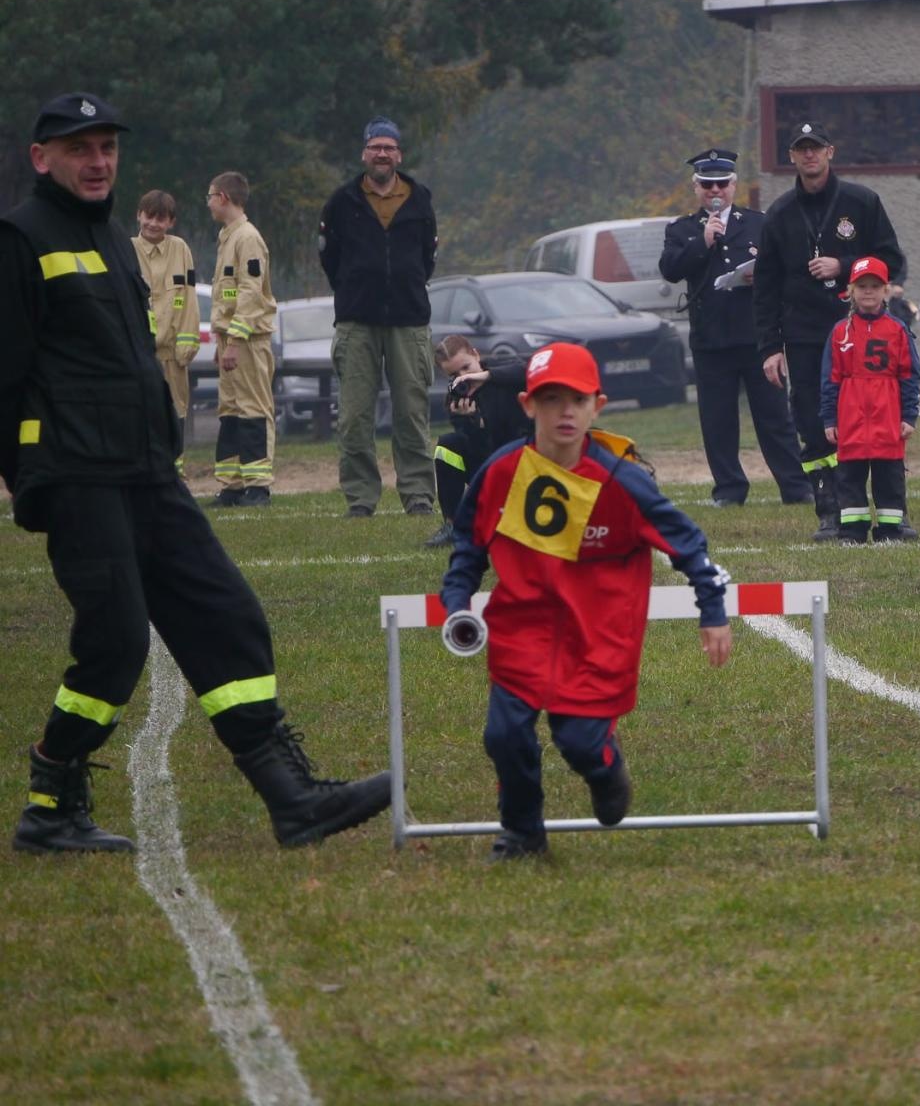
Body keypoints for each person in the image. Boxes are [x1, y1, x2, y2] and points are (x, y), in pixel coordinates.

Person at [0, 92, 390, 854]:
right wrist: (29, 477)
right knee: (114, 642)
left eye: (107, 146)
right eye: (80, 149)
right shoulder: (18, 239)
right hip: (78, 475)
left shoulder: (114, 236)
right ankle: (52, 802)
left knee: (226, 611)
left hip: (147, 470)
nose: (98, 161)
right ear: (42, 159)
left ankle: (292, 796)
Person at [439, 343, 732, 860]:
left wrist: (711, 609)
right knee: (504, 735)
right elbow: (468, 544)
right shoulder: (502, 472)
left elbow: (687, 542)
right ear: (529, 405)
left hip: (598, 637)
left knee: (577, 741)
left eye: (577, 400)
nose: (565, 413)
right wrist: (457, 599)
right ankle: (522, 832)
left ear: (598, 405)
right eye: (551, 400)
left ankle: (605, 770)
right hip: (521, 630)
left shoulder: (624, 480)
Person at [754, 121, 906, 541]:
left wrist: (844, 265)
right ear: (792, 157)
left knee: (873, 420)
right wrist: (770, 346)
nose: (809, 155)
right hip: (803, 336)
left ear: (830, 152)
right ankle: (829, 509)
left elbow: (892, 259)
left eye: (816, 148)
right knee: (811, 421)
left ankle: (892, 507)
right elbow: (764, 288)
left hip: (858, 333)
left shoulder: (861, 202)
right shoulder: (781, 214)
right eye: (801, 149)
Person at [658, 148, 811, 508]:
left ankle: (795, 486)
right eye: (708, 185)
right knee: (718, 421)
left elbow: (786, 269)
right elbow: (670, 268)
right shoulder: (682, 230)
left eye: (722, 184)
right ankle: (729, 489)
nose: (715, 191)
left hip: (757, 336)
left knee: (775, 417)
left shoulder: (759, 223)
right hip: (711, 339)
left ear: (734, 185)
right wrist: (704, 241)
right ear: (696, 188)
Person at [318, 116, 438, 518]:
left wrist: (401, 286)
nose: (382, 154)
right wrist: (357, 290)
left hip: (408, 321)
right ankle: (361, 499)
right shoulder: (341, 202)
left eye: (389, 147)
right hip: (357, 322)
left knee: (412, 414)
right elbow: (329, 258)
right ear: (364, 153)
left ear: (398, 154)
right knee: (354, 417)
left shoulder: (420, 198)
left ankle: (419, 495)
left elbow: (426, 259)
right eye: (375, 147)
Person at [821, 257, 920, 543]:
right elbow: (830, 378)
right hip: (850, 416)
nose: (868, 292)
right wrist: (830, 418)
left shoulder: (898, 329)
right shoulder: (840, 332)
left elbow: (910, 375)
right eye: (862, 286)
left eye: (875, 286)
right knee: (849, 476)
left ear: (886, 290)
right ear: (850, 290)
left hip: (887, 414)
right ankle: (852, 530)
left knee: (889, 475)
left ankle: (891, 529)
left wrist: (909, 416)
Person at [207, 170, 277, 507]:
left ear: (222, 197)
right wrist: (222, 342)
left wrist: (234, 340)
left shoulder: (247, 237)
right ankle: (232, 485)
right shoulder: (227, 237)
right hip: (229, 338)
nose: (208, 204)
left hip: (247, 339)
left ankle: (258, 486)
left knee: (253, 410)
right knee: (230, 411)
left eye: (210, 197)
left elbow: (250, 293)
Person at [424, 335, 532, 547]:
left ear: (476, 354)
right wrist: (474, 425)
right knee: (448, 444)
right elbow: (483, 455)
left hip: (526, 463)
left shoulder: (502, 375)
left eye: (466, 367)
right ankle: (453, 525)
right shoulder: (457, 399)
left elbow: (528, 371)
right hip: (494, 471)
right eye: (454, 374)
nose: (463, 377)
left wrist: (487, 376)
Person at [132, 189, 200, 463]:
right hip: (138, 352)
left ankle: (175, 471)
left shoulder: (180, 249)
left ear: (170, 222)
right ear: (139, 215)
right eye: (149, 216)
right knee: (140, 413)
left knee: (176, 411)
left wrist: (188, 340)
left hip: (172, 352)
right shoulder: (126, 250)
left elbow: (189, 297)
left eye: (161, 219)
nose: (153, 224)